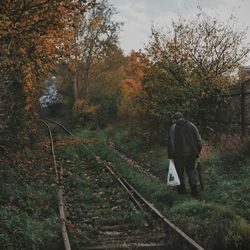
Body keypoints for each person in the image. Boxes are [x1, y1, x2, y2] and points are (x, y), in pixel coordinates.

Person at [167, 112, 202, 197]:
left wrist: (171, 155)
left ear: (175, 119)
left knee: (179, 172)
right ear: (183, 117)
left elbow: (171, 142)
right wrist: (197, 151)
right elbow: (199, 140)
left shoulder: (173, 128)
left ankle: (181, 192)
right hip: (192, 154)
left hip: (179, 155)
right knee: (191, 170)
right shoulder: (192, 125)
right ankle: (194, 189)